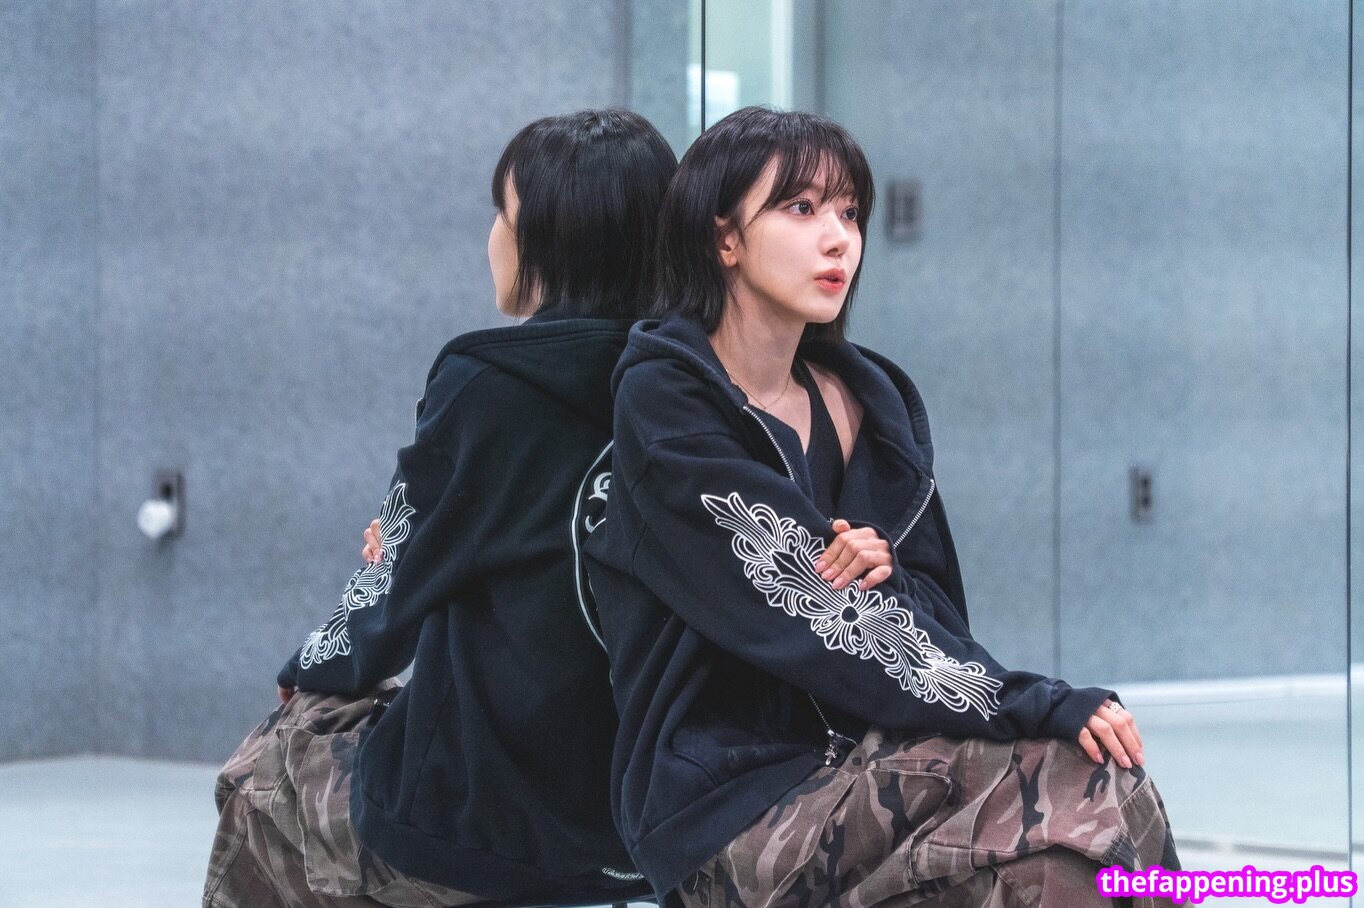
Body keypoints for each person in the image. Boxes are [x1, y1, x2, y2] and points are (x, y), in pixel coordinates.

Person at [583, 106, 1179, 907]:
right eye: (801, 209)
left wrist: (885, 570)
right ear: (724, 239)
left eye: (849, 212)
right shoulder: (666, 402)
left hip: (876, 756)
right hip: (730, 804)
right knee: (1078, 772)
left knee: (1074, 846)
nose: (838, 239)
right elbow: (805, 606)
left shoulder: (868, 404)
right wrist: (1029, 701)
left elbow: (932, 610)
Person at [204, 109, 677, 908]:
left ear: (549, 240)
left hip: (487, 823)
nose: (493, 236)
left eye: (503, 212)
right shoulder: (694, 378)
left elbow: (393, 580)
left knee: (266, 771)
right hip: (658, 821)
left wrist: (311, 666)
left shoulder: (487, 382)